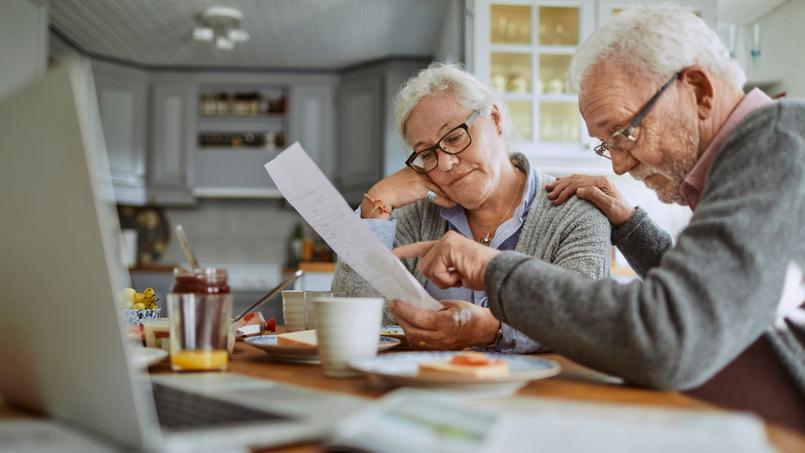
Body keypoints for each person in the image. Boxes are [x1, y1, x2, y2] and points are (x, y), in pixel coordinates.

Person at [392, 5, 805, 429]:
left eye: (624, 132)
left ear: (698, 91)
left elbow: (668, 336)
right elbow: (715, 299)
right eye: (607, 145)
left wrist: (492, 269)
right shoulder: (761, 153)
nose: (620, 167)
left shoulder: (778, 146)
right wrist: (631, 227)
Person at [331, 63, 611, 353]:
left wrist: (492, 328)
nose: (446, 163)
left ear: (494, 118)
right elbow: (352, 322)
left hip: (538, 394)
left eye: (454, 137)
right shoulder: (412, 217)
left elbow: (583, 322)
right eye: (428, 154)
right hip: (426, 390)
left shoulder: (576, 212)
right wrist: (376, 202)